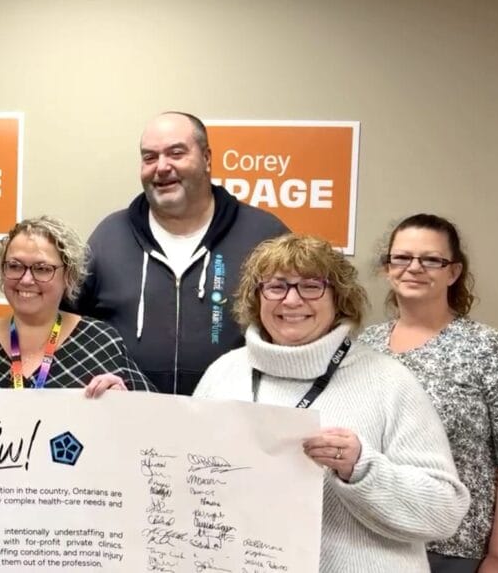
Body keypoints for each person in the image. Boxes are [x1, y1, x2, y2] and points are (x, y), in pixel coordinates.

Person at [194, 233, 469, 573]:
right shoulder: (222, 374)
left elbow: (444, 514)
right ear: (257, 297)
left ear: (338, 298)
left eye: (311, 286)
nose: (292, 301)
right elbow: (183, 482)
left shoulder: (389, 381)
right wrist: (116, 410)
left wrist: (360, 467)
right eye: (276, 287)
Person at [358, 214, 498, 573]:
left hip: (455, 552)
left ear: (453, 272)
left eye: (431, 259)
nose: (414, 268)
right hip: (371, 541)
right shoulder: (366, 346)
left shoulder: (489, 348)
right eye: (402, 257)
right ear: (387, 267)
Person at [75, 111, 288, 395]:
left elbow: (300, 326)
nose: (162, 167)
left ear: (207, 159)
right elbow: (67, 329)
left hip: (233, 421)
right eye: (150, 157)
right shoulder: (109, 236)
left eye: (176, 153)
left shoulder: (264, 235)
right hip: (129, 418)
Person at [0, 216, 154, 398]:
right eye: (15, 266)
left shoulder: (100, 341)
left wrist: (126, 404)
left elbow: (156, 420)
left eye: (42, 268)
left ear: (68, 276)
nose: (26, 279)